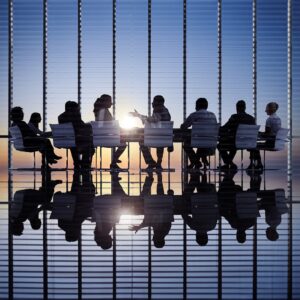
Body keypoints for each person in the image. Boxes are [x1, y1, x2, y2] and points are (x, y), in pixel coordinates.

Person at [130, 95, 171, 170]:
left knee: (141, 141)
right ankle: (158, 163)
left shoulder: (158, 109)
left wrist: (139, 115)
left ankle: (150, 162)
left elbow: (155, 120)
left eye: (154, 101)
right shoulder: (166, 110)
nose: (152, 103)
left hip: (156, 136)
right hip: (163, 137)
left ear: (158, 102)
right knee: (160, 142)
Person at [218, 100, 257, 171]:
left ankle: (229, 163)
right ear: (245, 108)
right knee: (233, 145)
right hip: (249, 143)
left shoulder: (234, 117)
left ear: (236, 108)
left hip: (235, 143)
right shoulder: (251, 118)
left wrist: (217, 128)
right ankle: (228, 164)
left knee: (220, 145)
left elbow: (225, 128)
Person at [180, 98, 217, 169]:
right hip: (211, 143)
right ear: (206, 106)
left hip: (198, 141)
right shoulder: (213, 115)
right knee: (201, 144)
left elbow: (184, 126)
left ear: (197, 106)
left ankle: (196, 162)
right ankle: (199, 160)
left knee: (187, 144)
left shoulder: (194, 115)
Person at [93, 94, 126, 169]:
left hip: (98, 139)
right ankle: (114, 162)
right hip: (107, 138)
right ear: (105, 102)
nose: (111, 103)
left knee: (121, 139)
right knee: (123, 144)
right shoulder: (105, 112)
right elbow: (112, 125)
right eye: (110, 101)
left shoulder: (98, 111)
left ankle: (114, 160)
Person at [58, 101, 94, 169]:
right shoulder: (75, 115)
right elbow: (81, 125)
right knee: (89, 145)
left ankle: (77, 163)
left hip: (67, 141)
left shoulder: (60, 117)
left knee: (73, 142)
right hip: (78, 140)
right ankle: (85, 164)